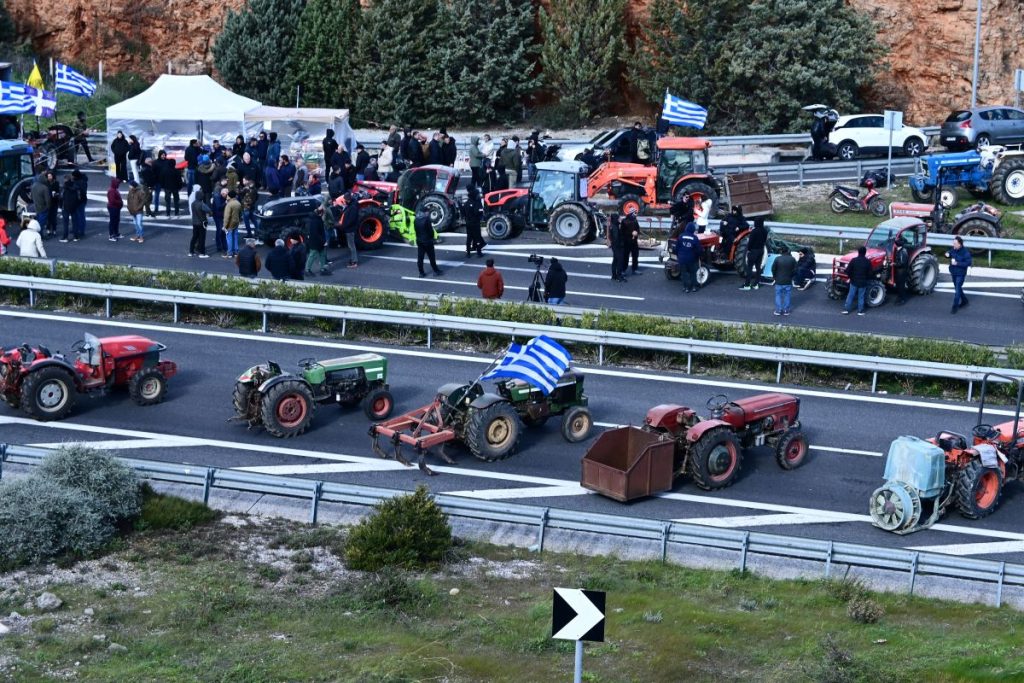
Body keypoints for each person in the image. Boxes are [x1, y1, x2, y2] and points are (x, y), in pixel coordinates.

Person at [842, 245, 872, 316]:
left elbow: (847, 270)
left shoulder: (854, 260)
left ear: (858, 252)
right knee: (861, 296)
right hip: (863, 282)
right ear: (865, 253)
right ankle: (860, 311)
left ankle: (846, 309)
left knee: (850, 295)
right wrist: (866, 279)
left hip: (854, 281)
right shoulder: (868, 262)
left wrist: (850, 277)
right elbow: (870, 273)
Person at [740, 217, 768, 290]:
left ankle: (747, 285)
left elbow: (750, 243)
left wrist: (749, 250)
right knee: (758, 267)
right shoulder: (765, 231)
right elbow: (765, 240)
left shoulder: (754, 231)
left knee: (749, 268)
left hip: (753, 251)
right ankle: (756, 284)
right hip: (760, 250)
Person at [947, 235, 972, 314]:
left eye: (955, 243)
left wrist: (957, 263)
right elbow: (950, 253)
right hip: (953, 272)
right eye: (953, 243)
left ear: (959, 244)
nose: (953, 245)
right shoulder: (954, 249)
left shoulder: (965, 252)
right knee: (958, 288)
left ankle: (955, 306)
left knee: (957, 289)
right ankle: (964, 301)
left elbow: (968, 263)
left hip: (960, 274)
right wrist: (947, 254)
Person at [675, 221, 703, 293]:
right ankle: (694, 287)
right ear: (693, 229)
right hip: (691, 259)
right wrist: (698, 256)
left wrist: (679, 256)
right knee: (693, 273)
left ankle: (686, 287)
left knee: (684, 273)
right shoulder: (694, 238)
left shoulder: (681, 236)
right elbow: (699, 249)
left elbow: (677, 248)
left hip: (682, 258)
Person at [415, 207, 441, 277]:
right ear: (425, 212)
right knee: (431, 257)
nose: (428, 213)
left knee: (420, 258)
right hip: (427, 241)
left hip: (419, 241)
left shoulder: (416, 219)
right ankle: (436, 271)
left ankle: (421, 272)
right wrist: (432, 238)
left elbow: (416, 230)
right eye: (427, 212)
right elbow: (430, 231)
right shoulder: (426, 220)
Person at [305, 203, 330, 276]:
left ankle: (322, 268)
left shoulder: (314, 219)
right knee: (313, 255)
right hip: (316, 242)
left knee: (321, 254)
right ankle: (308, 270)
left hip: (315, 241)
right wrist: (323, 241)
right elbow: (316, 233)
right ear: (321, 213)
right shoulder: (316, 221)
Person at [771, 245, 796, 316]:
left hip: (779, 280)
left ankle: (778, 310)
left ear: (781, 251)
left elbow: (773, 269)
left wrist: (774, 277)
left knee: (778, 295)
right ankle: (786, 310)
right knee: (787, 295)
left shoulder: (777, 259)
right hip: (788, 280)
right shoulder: (792, 259)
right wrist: (791, 276)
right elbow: (795, 269)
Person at [463, 185, 485, 257]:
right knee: (477, 238)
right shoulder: (477, 203)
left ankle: (468, 252)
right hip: (475, 223)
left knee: (469, 238)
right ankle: (479, 252)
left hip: (468, 223)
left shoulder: (466, 203)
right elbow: (479, 212)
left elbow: (463, 213)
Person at [189, 187, 211, 258]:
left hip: (194, 223)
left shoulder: (193, 203)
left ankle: (191, 251)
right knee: (202, 238)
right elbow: (209, 210)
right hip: (202, 223)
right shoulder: (202, 204)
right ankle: (202, 253)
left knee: (194, 237)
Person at [340, 193, 360, 268]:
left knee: (351, 246)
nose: (344, 201)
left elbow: (351, 220)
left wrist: (343, 226)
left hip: (350, 229)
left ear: (348, 200)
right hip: (350, 228)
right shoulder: (352, 205)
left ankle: (354, 261)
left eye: (345, 200)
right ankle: (353, 259)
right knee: (351, 245)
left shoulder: (353, 207)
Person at [59, 174, 79, 243]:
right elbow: (78, 197)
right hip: (74, 206)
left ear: (65, 180)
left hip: (65, 207)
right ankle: (76, 236)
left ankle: (65, 237)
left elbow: (61, 198)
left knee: (65, 223)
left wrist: (60, 205)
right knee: (75, 222)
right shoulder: (75, 186)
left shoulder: (63, 188)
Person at [608, 214, 627, 282]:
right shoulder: (615, 227)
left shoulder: (612, 226)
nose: (620, 219)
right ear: (616, 219)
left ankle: (614, 276)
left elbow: (612, 237)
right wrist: (621, 244)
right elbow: (616, 238)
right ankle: (619, 276)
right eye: (619, 218)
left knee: (615, 260)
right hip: (618, 246)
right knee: (620, 261)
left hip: (614, 246)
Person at [622, 208, 641, 274]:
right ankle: (623, 270)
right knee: (625, 256)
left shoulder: (635, 220)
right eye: (635, 213)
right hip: (626, 241)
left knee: (635, 255)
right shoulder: (624, 221)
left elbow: (638, 229)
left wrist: (637, 232)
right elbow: (622, 232)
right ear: (631, 213)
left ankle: (634, 269)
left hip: (634, 242)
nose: (636, 214)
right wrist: (631, 233)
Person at [223, 190, 242, 258]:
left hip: (230, 224)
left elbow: (227, 216)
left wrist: (224, 226)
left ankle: (230, 253)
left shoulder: (229, 204)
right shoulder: (238, 203)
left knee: (229, 238)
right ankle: (236, 252)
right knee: (235, 237)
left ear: (230, 196)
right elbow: (240, 214)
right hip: (236, 222)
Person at [893, 237, 910, 305]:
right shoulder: (901, 250)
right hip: (899, 271)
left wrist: (894, 264)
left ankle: (902, 299)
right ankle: (900, 297)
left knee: (901, 286)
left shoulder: (902, 251)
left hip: (901, 272)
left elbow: (902, 263)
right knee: (899, 285)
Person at [106, 177, 123, 242]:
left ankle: (116, 233)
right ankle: (111, 235)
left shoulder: (114, 189)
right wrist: (120, 202)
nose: (118, 185)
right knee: (113, 221)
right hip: (113, 207)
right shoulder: (112, 191)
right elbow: (112, 201)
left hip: (116, 207)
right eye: (118, 183)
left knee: (116, 221)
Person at [212, 187, 228, 254]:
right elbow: (219, 207)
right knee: (220, 230)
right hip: (218, 216)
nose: (227, 196)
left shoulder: (220, 197)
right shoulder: (217, 198)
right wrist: (226, 202)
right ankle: (220, 246)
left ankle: (223, 246)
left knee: (221, 231)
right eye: (226, 194)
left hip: (220, 216)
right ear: (222, 193)